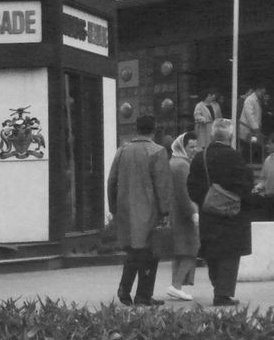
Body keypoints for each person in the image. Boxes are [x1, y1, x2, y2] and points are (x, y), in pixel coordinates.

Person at [186, 118, 254, 307]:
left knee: (212, 253)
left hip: (208, 213)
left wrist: (205, 200)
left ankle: (218, 286)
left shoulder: (201, 157)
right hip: (232, 214)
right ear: (231, 136)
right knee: (230, 254)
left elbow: (191, 186)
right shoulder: (235, 157)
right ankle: (223, 293)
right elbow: (245, 185)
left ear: (212, 135)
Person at [106, 115, 172, 306]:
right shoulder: (157, 151)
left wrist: (114, 207)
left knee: (133, 252)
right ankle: (143, 295)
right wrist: (165, 211)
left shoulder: (122, 150)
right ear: (154, 129)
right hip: (149, 210)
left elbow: (111, 181)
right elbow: (162, 184)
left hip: (126, 210)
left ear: (136, 128)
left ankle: (124, 289)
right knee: (150, 254)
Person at [162, 130, 200, 302]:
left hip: (175, 212)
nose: (194, 149)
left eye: (195, 146)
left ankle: (176, 285)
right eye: (191, 146)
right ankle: (176, 285)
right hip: (184, 213)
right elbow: (185, 192)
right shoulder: (182, 165)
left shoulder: (174, 162)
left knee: (179, 251)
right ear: (183, 147)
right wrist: (192, 211)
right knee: (191, 249)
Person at [237, 85, 266, 162]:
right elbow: (250, 114)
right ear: (258, 90)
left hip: (253, 130)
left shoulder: (256, 100)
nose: (263, 94)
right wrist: (255, 127)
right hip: (248, 129)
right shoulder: (250, 100)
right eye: (262, 92)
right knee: (248, 146)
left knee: (253, 146)